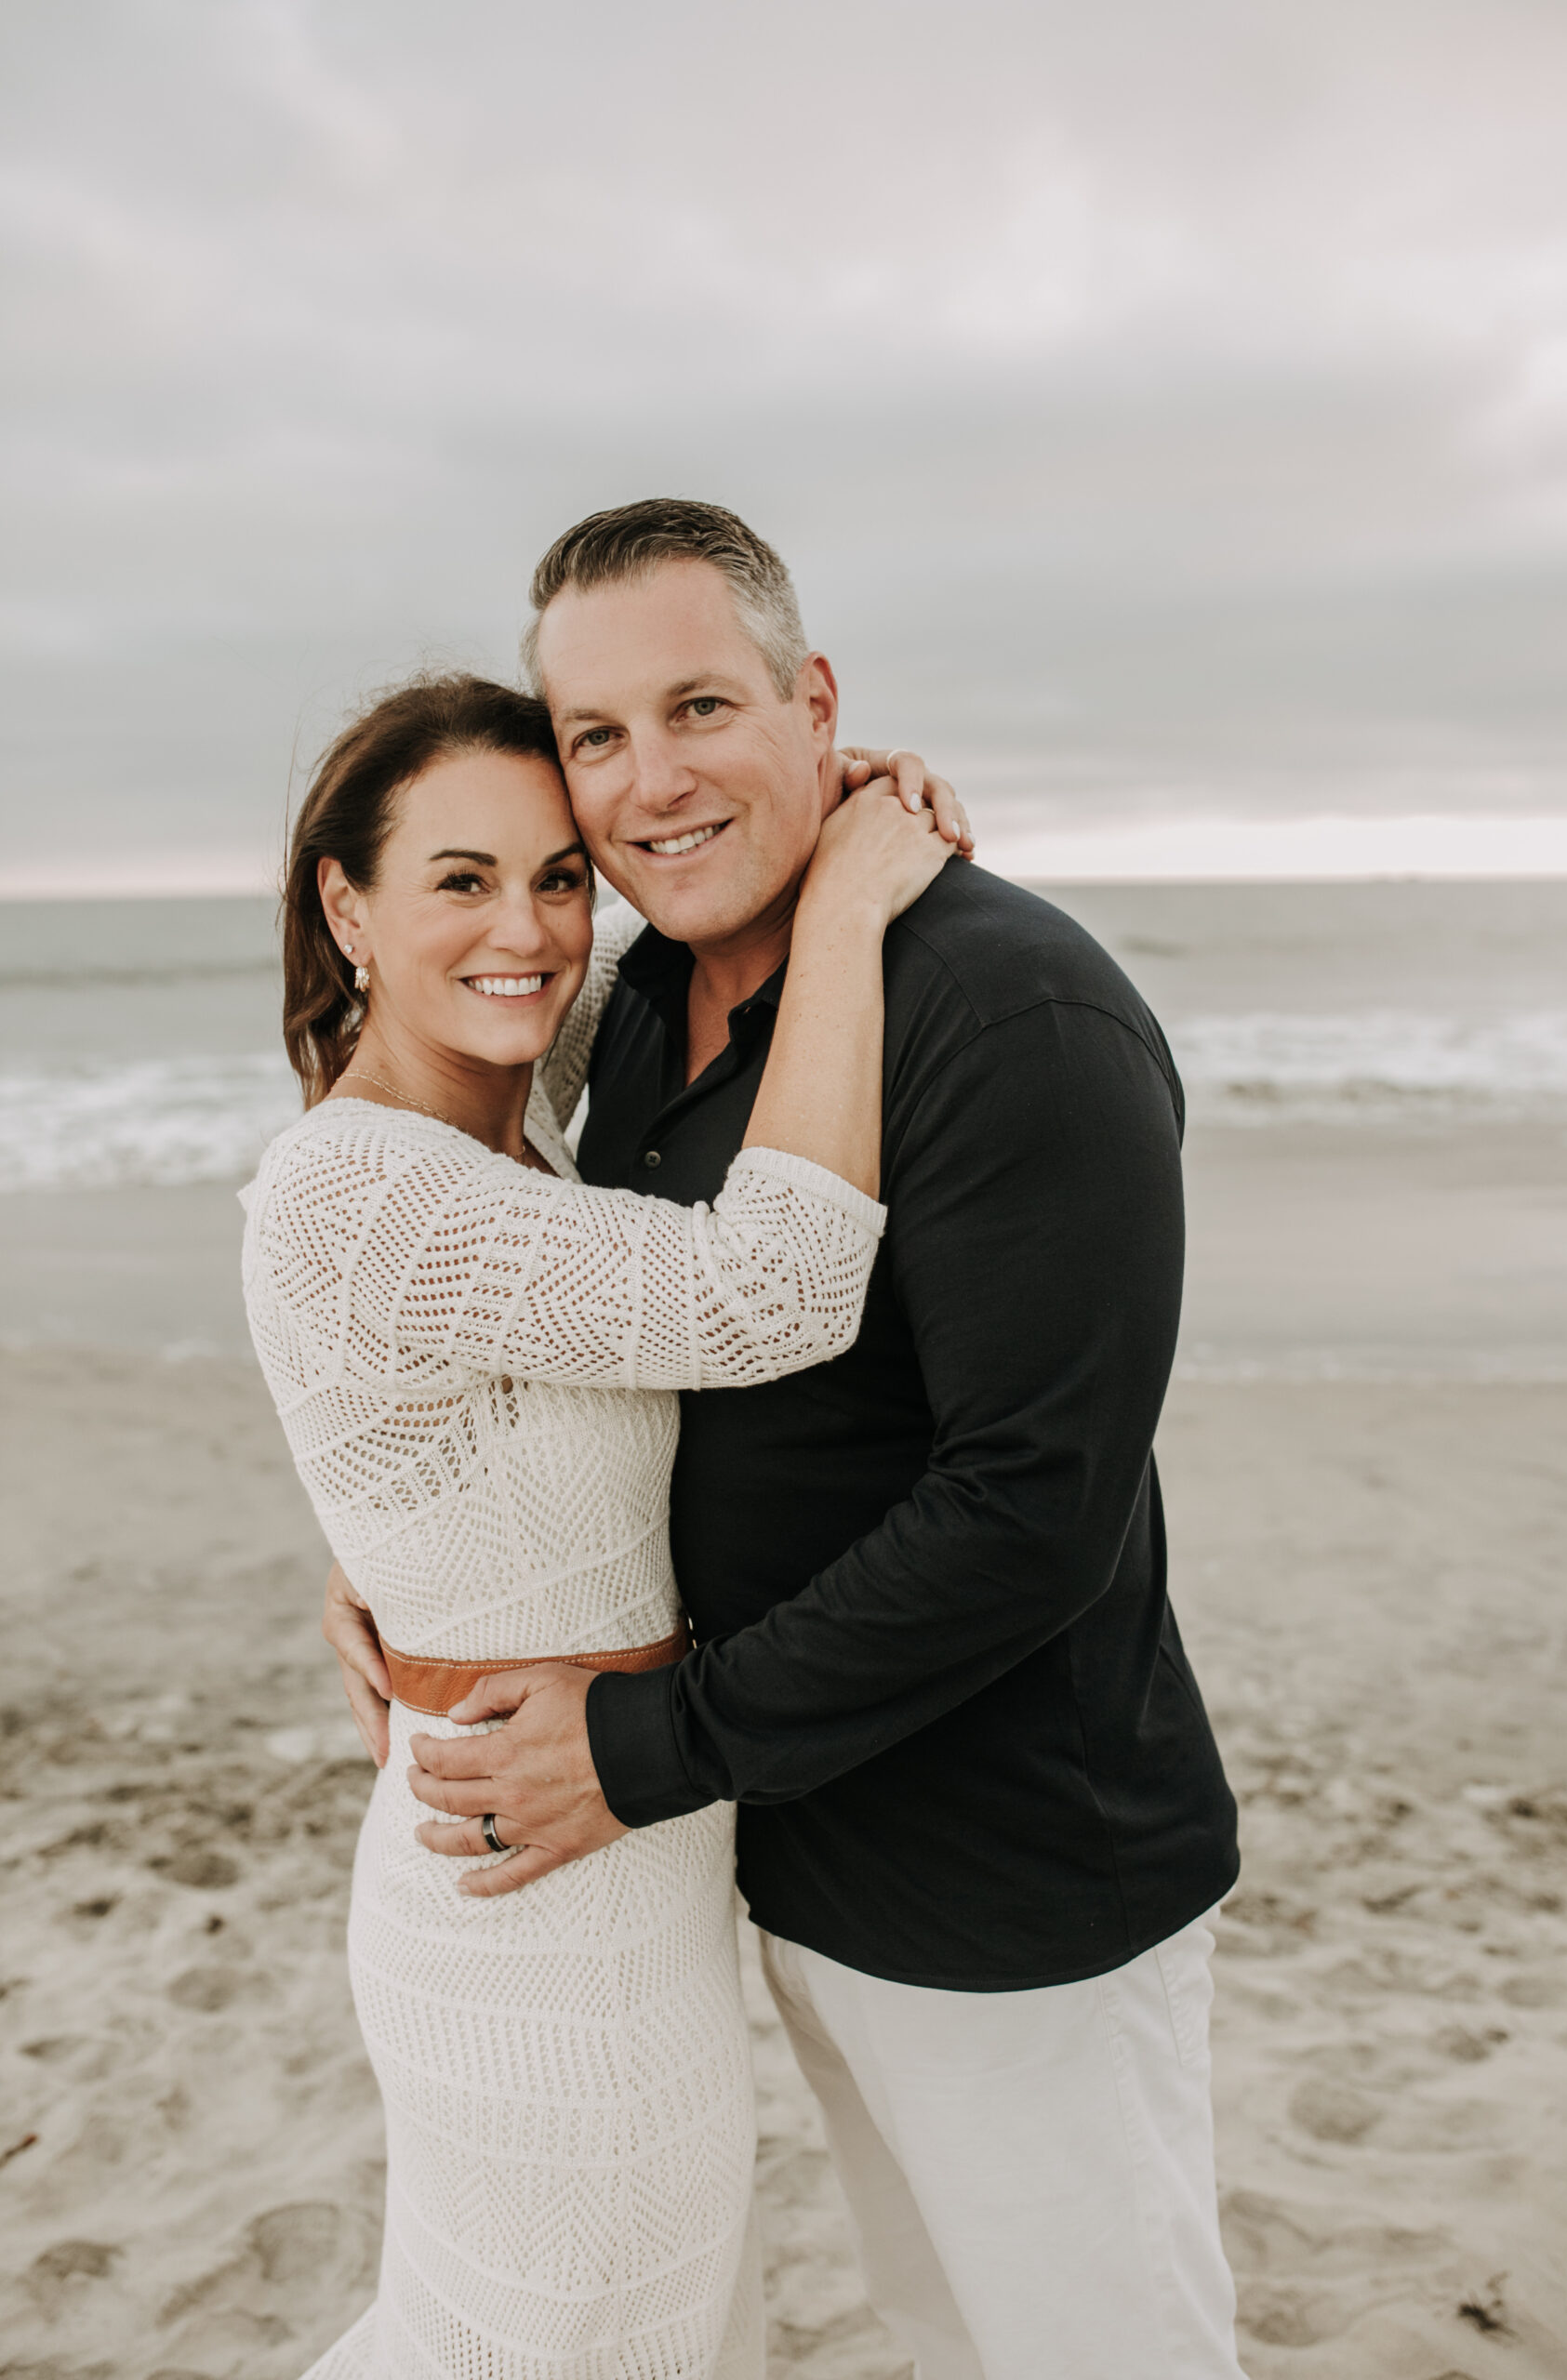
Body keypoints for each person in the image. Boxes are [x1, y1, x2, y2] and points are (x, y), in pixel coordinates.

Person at [330, 500, 1248, 2380]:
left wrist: (646, 1742)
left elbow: (1028, 1508)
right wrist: (404, 1547)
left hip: (1013, 1888)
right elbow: (578, 1323)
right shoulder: (650, 999)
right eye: (596, 734)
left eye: (698, 706)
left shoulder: (1014, 1014)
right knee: (934, 2325)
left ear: (811, 700)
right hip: (790, 1850)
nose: (648, 781)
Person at [240, 668, 956, 2380]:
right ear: (347, 905)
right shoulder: (367, 1189)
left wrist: (792, 798)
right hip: (527, 1913)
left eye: (557, 875)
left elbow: (652, 946)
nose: (534, 930)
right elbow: (769, 1289)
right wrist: (849, 904)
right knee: (550, 2339)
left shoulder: (510, 1105)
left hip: (625, 1854)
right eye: (462, 881)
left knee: (647, 2329)